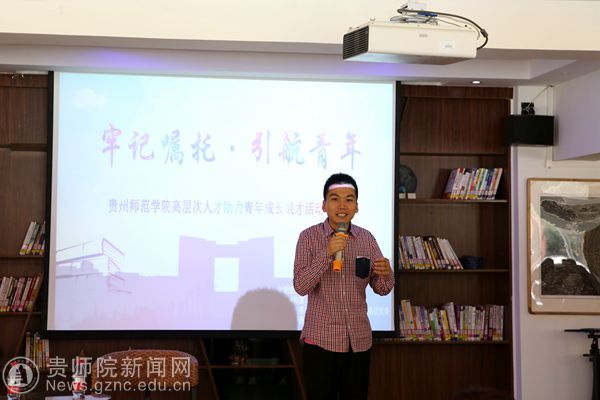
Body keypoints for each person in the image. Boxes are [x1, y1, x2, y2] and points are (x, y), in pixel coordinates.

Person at [293, 173, 394, 400]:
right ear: (324, 205)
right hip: (320, 342)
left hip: (358, 342)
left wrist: (386, 273)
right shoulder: (308, 237)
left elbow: (382, 288)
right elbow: (300, 286)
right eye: (335, 199)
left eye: (349, 199)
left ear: (356, 206)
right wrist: (327, 253)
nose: (342, 205)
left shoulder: (366, 239)